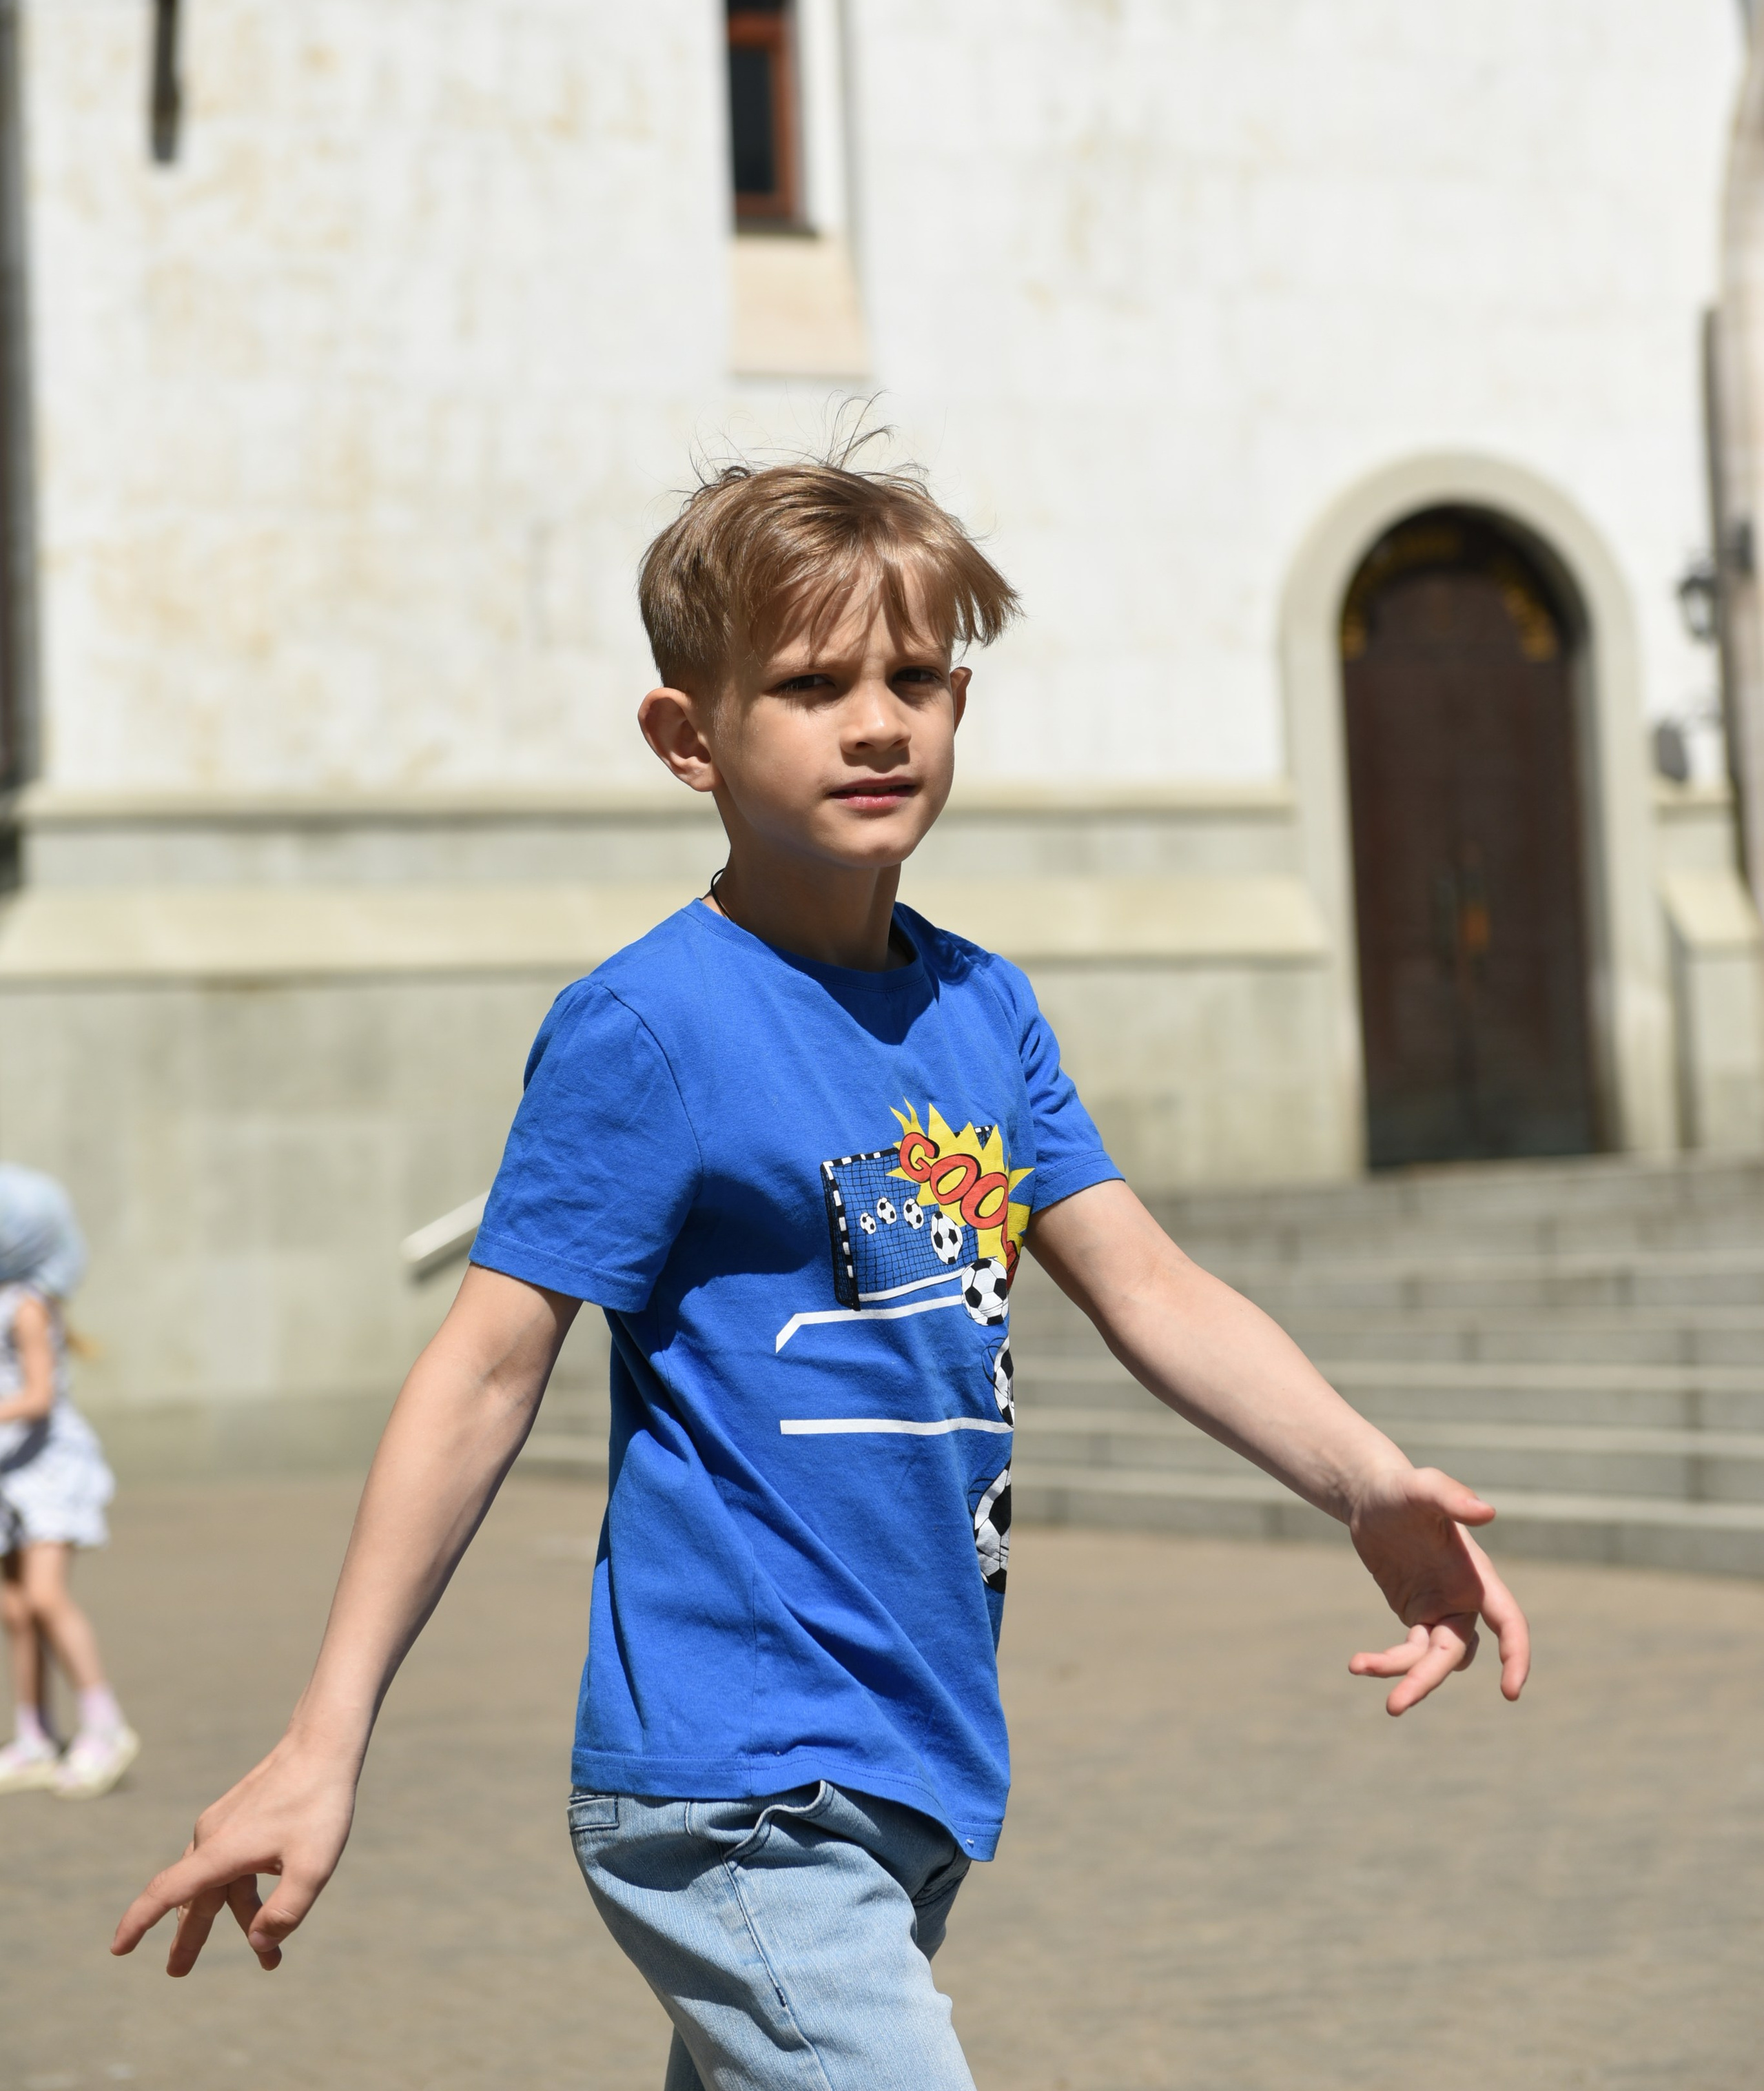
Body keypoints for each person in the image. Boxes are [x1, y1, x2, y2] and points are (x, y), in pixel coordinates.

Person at [112, 445, 1528, 2085]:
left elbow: (1147, 1285)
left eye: (914, 675)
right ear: (685, 735)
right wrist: (323, 1731)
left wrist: (1363, 1478)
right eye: (808, 681)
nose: (877, 718)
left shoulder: (979, 1008)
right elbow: (486, 1367)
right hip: (734, 1778)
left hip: (914, 1754)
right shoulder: (650, 1026)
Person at [0, 1162, 139, 1798]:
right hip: (7, 1469)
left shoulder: (27, 1306)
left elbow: (36, 1396)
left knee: (48, 1597)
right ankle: (33, 1733)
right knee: (16, 1608)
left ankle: (105, 1724)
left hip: (45, 1468)